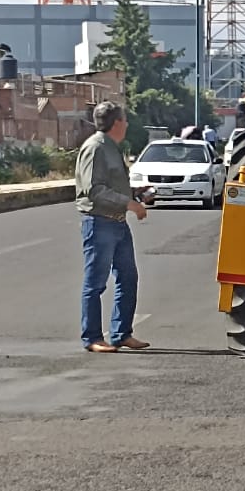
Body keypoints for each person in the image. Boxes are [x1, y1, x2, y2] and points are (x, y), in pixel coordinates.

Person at [75, 101, 150, 354]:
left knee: (128, 278)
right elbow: (94, 190)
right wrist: (128, 203)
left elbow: (112, 185)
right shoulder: (95, 148)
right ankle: (93, 337)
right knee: (95, 283)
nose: (127, 125)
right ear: (117, 123)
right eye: (125, 120)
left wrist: (137, 195)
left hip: (117, 223)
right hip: (99, 223)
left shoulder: (112, 148)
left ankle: (121, 333)